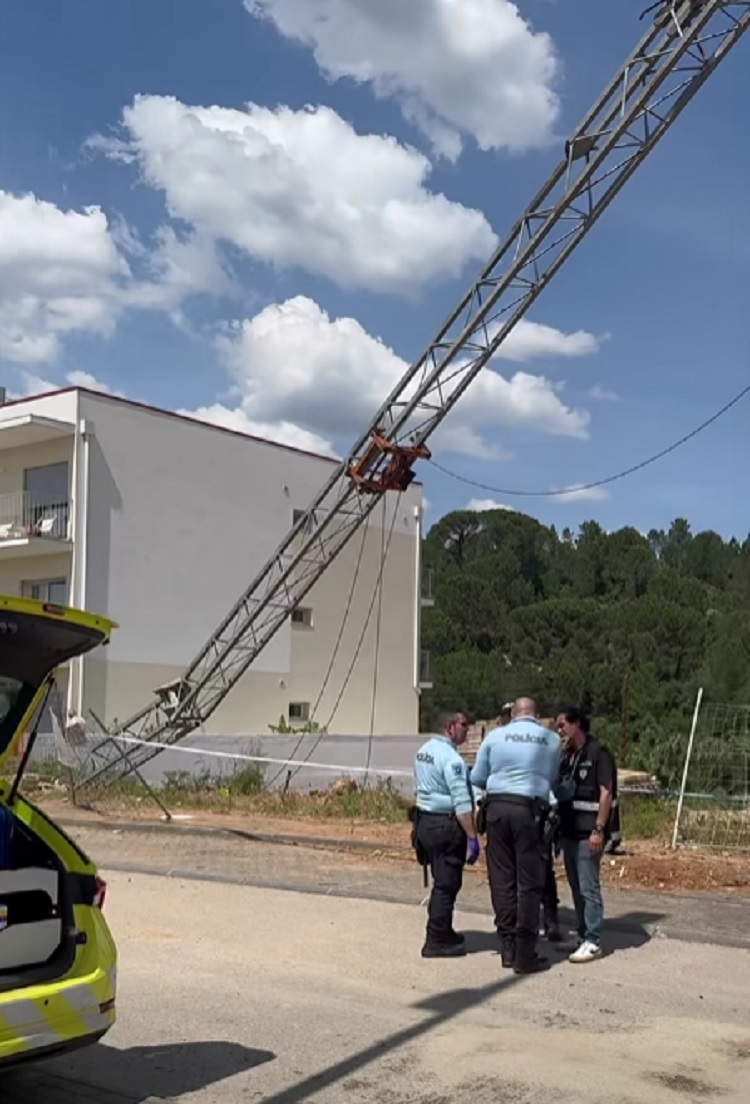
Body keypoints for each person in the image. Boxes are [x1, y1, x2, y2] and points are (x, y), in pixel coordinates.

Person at [470, 697, 561, 974]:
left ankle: (507, 946)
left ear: (512, 714)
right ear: (536, 715)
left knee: (502, 879)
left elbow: (477, 777)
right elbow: (553, 778)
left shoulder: (495, 737)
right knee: (529, 883)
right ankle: (525, 953)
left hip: (497, 808)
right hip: (529, 810)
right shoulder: (551, 739)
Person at [412, 710, 480, 958]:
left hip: (425, 823)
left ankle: (444, 930)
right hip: (445, 826)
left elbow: (418, 788)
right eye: (464, 724)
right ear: (450, 727)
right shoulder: (452, 760)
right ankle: (436, 939)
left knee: (441, 879)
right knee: (447, 884)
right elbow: (462, 803)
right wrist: (472, 837)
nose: (467, 728)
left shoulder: (423, 751)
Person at [554, 706, 615, 964]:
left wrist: (599, 829)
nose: (560, 731)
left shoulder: (598, 754)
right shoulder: (569, 755)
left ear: (576, 723)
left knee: (589, 887)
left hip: (589, 832)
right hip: (569, 830)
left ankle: (594, 940)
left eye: (562, 725)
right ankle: (581, 934)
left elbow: (606, 793)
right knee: (576, 886)